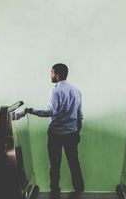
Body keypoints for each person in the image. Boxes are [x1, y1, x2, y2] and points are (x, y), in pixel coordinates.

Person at [24, 63, 84, 192]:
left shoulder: (56, 91)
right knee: (74, 163)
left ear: (57, 75)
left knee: (55, 164)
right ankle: (80, 190)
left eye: (51, 72)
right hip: (72, 133)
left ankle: (55, 190)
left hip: (56, 133)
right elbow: (79, 115)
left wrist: (31, 111)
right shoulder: (76, 90)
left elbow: (50, 112)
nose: (50, 75)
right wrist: (77, 132)